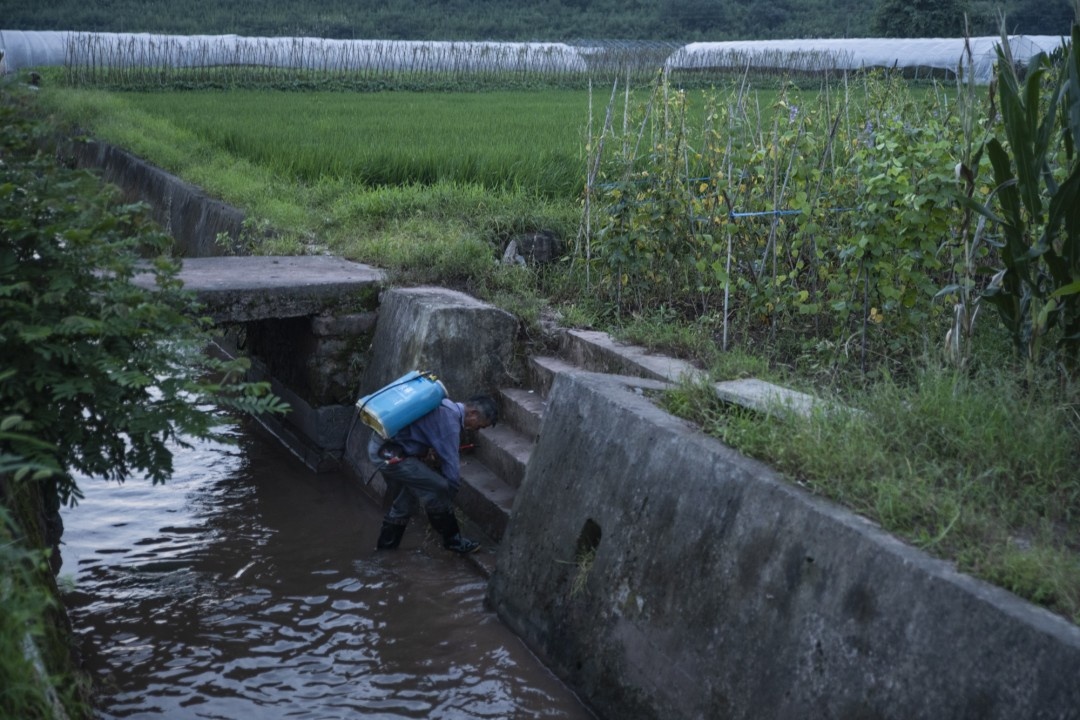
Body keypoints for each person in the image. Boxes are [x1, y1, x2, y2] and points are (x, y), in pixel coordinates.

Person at [367, 394, 498, 554]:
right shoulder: (450, 423)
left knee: (404, 503)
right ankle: (453, 541)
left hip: (380, 447)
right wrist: (447, 501)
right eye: (479, 426)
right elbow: (452, 473)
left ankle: (384, 553)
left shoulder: (444, 404)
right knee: (439, 487)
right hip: (392, 455)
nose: (476, 430)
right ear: (473, 413)